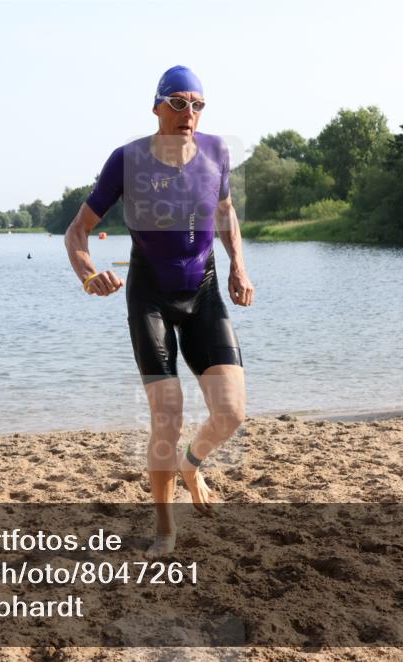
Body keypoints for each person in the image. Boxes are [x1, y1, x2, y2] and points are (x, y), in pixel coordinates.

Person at [64, 65, 254, 556]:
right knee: (167, 415)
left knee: (231, 413)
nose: (189, 113)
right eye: (178, 103)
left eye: (197, 104)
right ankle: (166, 530)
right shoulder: (126, 161)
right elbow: (77, 232)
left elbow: (225, 211)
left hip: (204, 289)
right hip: (150, 295)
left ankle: (191, 465)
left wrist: (239, 267)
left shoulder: (217, 152)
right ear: (156, 107)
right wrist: (89, 273)